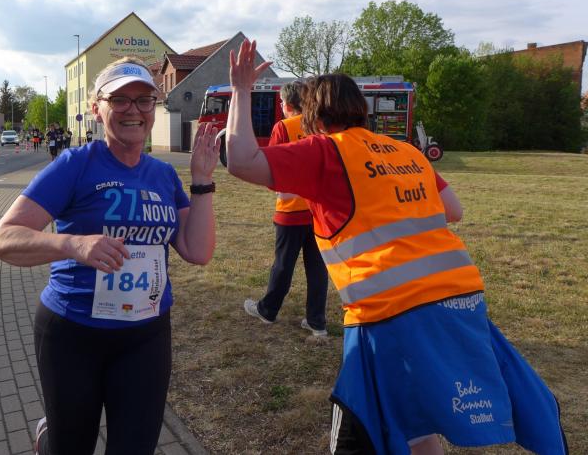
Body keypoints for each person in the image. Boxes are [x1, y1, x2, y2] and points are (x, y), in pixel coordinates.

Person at [225, 40, 567, 455]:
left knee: (365, 428)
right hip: (461, 298)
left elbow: (241, 161)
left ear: (313, 115)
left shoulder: (326, 150)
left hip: (390, 310)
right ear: (361, 108)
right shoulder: (406, 151)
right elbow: (454, 210)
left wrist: (241, 90)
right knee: (415, 419)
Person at [0, 56, 220, 455]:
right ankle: (52, 440)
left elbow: (197, 251)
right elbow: (2, 239)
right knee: (71, 447)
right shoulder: (75, 165)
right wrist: (72, 245)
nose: (133, 110)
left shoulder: (163, 175)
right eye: (120, 100)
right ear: (97, 109)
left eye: (144, 100)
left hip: (146, 334)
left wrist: (201, 181)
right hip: (73, 333)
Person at [243, 80, 330, 338]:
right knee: (317, 268)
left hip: (291, 210)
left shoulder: (283, 127)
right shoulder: (321, 127)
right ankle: (317, 322)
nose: (280, 106)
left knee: (283, 264)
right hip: (319, 211)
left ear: (288, 104)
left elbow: (272, 166)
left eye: (281, 102)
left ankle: (268, 310)